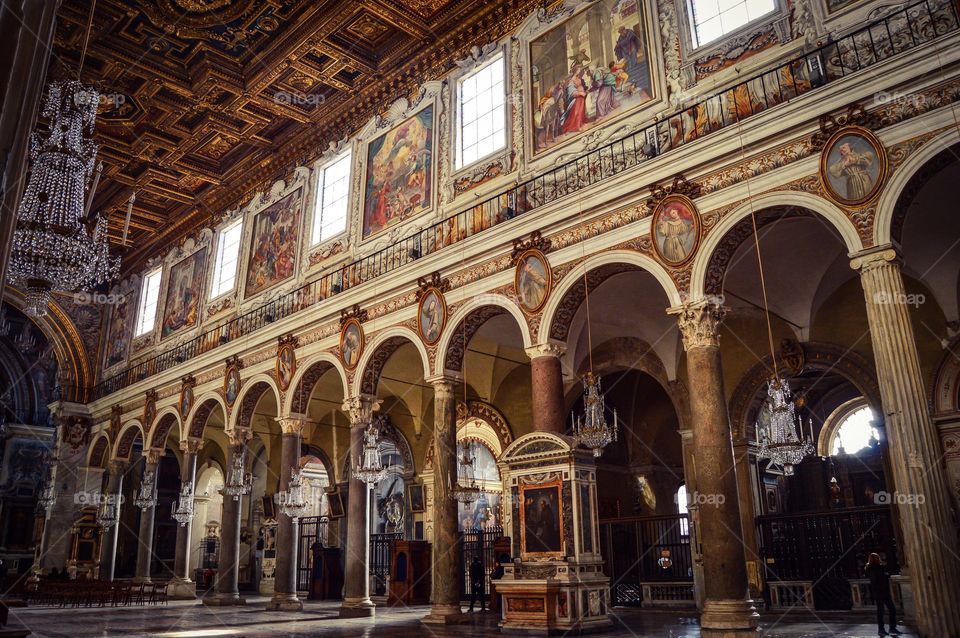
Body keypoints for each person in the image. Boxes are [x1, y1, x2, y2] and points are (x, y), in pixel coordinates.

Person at [866, 553, 900, 636]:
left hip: (884, 592)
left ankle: (892, 628)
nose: (879, 559)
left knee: (891, 609)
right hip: (879, 592)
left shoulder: (880, 568)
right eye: (877, 558)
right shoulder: (873, 569)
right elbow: (875, 581)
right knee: (881, 611)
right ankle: (882, 629)